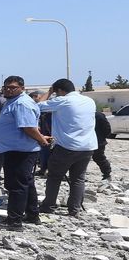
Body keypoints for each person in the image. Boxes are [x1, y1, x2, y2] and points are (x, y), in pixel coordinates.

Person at [0, 76, 50, 230]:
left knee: (16, 185)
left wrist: (42, 140)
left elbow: (28, 127)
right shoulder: (12, 101)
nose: (8, 90)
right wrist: (41, 137)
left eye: (13, 87)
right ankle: (32, 214)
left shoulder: (21, 103)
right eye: (6, 87)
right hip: (15, 149)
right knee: (26, 183)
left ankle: (14, 221)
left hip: (20, 151)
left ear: (22, 88)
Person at [37, 79, 97, 217]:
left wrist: (49, 92)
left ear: (59, 91)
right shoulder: (89, 101)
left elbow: (37, 106)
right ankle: (74, 209)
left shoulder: (63, 101)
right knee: (78, 179)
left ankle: (48, 206)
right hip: (87, 146)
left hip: (67, 146)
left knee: (54, 177)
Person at [31, 91, 53, 177]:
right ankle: (44, 169)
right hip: (46, 133)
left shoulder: (44, 110)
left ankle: (44, 169)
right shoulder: (48, 110)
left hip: (46, 133)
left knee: (45, 151)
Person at [94, 111, 113, 180]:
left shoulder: (81, 114)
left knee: (79, 159)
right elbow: (107, 128)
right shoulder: (99, 115)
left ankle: (107, 174)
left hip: (89, 141)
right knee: (100, 158)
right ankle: (107, 174)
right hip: (98, 141)